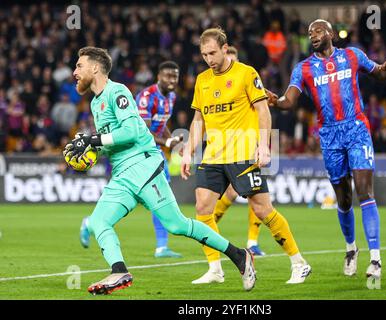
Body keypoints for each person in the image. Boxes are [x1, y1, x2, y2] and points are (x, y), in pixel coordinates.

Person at [65, 46, 256, 295]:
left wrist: (94, 140)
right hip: (122, 175)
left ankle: (240, 256)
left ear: (95, 67)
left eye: (79, 66)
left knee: (176, 225)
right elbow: (111, 141)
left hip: (144, 166)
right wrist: (89, 153)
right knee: (99, 221)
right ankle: (119, 270)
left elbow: (132, 132)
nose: (75, 72)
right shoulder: (96, 103)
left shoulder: (117, 91)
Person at [268, 19, 386, 284]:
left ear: (329, 34)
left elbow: (379, 74)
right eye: (309, 33)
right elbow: (289, 100)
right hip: (329, 135)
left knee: (365, 191)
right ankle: (351, 249)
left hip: (356, 128)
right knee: (344, 200)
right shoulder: (303, 69)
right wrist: (276, 101)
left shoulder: (352, 55)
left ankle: (375, 258)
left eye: (317, 31)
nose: (312, 35)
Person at [180, 28, 311, 285]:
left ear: (225, 48)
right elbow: (198, 120)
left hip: (243, 154)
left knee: (262, 210)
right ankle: (215, 268)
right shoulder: (202, 80)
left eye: (213, 53)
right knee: (202, 208)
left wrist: (264, 146)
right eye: (204, 54)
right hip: (213, 156)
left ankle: (299, 262)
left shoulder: (246, 73)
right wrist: (188, 150)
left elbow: (263, 111)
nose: (209, 59)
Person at [79, 61, 183, 259]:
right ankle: (92, 223)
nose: (172, 80)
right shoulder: (146, 97)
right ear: (158, 76)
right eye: (168, 76)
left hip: (152, 151)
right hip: (134, 151)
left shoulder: (171, 96)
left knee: (153, 197)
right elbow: (142, 131)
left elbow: (161, 124)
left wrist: (170, 139)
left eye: (175, 77)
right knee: (137, 199)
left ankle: (161, 246)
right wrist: (168, 142)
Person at [210, 45, 266, 256]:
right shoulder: (216, 83)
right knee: (233, 193)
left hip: (250, 144)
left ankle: (252, 241)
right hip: (225, 146)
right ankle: (211, 225)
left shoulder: (247, 77)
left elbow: (262, 109)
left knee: (254, 195)